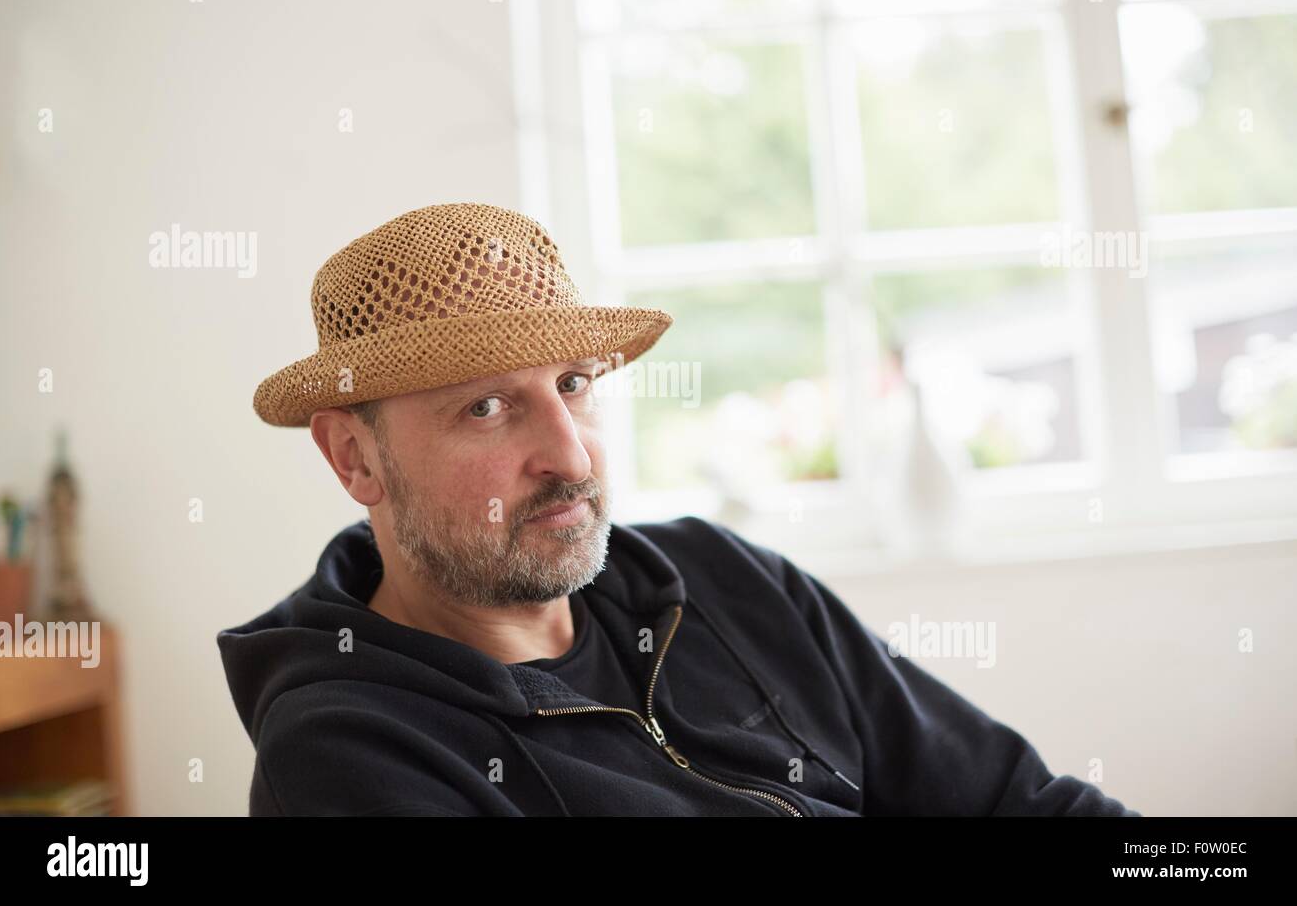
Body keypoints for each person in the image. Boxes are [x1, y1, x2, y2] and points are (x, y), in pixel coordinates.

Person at [217, 202, 1139, 817]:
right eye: (485, 407)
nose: (571, 455)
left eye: (574, 383)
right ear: (355, 457)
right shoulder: (346, 754)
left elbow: (1019, 802)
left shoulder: (724, 581)